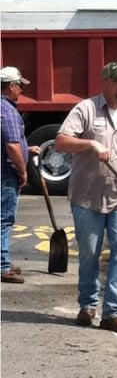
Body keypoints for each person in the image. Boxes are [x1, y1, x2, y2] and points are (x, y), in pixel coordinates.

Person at [55, 61, 117, 334]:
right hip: (88, 197)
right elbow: (61, 141)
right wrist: (91, 143)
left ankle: (113, 312)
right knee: (90, 254)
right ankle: (87, 305)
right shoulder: (85, 109)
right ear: (105, 82)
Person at [1, 66, 40, 283]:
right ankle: (2, 266)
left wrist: (28, 148)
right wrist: (23, 170)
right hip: (5, 173)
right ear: (11, 86)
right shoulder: (7, 112)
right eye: (19, 86)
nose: (21, 91)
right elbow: (12, 146)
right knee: (4, 220)